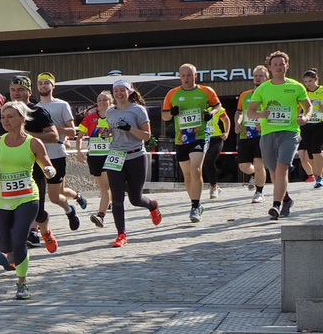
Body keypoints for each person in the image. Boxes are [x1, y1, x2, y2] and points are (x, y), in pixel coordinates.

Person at [0, 100, 56, 299]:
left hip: (27, 197)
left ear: (22, 118)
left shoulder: (33, 142)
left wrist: (49, 171)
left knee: (19, 241)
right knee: (4, 245)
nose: (5, 121)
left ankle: (22, 284)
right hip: (3, 199)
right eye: (3, 117)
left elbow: (47, 165)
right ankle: (14, 257)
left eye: (10, 117)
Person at [245, 50, 311, 220]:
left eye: (282, 64)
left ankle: (276, 205)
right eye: (275, 64)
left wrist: (305, 117)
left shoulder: (296, 86)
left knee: (282, 167)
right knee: (274, 172)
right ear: (270, 67)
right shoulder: (263, 88)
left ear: (287, 66)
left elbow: (308, 106)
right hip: (268, 133)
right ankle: (286, 199)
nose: (279, 67)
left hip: (290, 132)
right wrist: (260, 115)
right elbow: (251, 112)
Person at [162, 63, 223, 223]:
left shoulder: (205, 91)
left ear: (195, 75)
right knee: (187, 175)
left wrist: (211, 113)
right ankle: (195, 203)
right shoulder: (172, 93)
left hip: (200, 136)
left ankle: (195, 206)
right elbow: (164, 116)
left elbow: (218, 106)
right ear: (180, 77)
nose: (186, 78)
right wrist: (172, 113)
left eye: (189, 75)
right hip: (181, 138)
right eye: (183, 75)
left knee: (195, 169)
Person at [7, 76, 62, 250]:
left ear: (29, 92)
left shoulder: (37, 112)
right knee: (13, 205)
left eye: (20, 90)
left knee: (37, 209)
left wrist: (28, 137)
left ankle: (45, 231)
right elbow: (2, 136)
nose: (16, 93)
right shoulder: (6, 111)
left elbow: (54, 136)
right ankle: (27, 235)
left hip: (35, 165)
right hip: (11, 166)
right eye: (13, 90)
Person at [105, 80, 162, 246]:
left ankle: (152, 206)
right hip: (115, 155)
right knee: (116, 198)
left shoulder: (138, 110)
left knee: (135, 199)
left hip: (136, 155)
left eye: (122, 90)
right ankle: (121, 234)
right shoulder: (110, 112)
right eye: (116, 91)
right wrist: (107, 133)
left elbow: (147, 136)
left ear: (129, 92)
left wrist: (129, 128)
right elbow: (112, 131)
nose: (119, 93)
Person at [31, 74, 86, 232]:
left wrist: (52, 128)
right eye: (40, 83)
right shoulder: (33, 108)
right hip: (37, 156)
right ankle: (34, 229)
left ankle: (69, 210)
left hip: (56, 154)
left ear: (53, 86)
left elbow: (72, 131)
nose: (43, 86)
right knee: (36, 194)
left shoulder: (61, 105)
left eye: (46, 83)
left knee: (54, 197)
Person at [77, 91, 115, 227]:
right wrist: (79, 151)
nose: (102, 102)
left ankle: (101, 215)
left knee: (105, 186)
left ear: (110, 102)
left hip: (110, 155)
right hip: (94, 156)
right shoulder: (90, 117)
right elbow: (80, 136)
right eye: (100, 100)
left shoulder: (114, 116)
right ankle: (109, 201)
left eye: (105, 100)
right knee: (103, 185)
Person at [235, 64, 270, 203]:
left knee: (258, 162)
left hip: (262, 134)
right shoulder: (245, 95)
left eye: (261, 76)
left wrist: (264, 123)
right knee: (243, 166)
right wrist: (238, 122)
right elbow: (239, 112)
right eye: (256, 76)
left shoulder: (270, 93)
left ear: (267, 78)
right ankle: (256, 174)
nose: (258, 78)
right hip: (245, 134)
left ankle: (259, 192)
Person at [299, 68, 323, 190]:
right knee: (309, 154)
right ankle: (319, 170)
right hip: (306, 124)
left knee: (316, 149)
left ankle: (319, 177)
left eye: (310, 81)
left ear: (316, 80)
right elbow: (298, 107)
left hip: (321, 123)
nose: (308, 84)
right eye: (305, 81)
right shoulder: (303, 93)